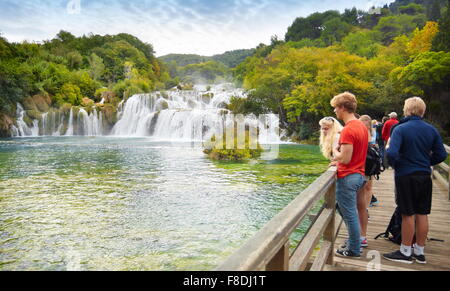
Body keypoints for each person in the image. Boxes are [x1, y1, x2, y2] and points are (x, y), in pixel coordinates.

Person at [383, 97, 447, 264]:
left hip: (406, 176)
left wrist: (398, 164)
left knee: (407, 213)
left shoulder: (400, 129)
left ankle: (405, 252)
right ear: (422, 111)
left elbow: (391, 153)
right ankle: (419, 251)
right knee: (422, 213)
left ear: (407, 110)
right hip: (424, 175)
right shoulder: (431, 130)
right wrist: (426, 162)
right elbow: (441, 154)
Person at [329, 92, 368, 258]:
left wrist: (334, 152)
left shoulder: (348, 130)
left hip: (348, 176)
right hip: (359, 174)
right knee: (345, 209)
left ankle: (353, 249)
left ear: (343, 108)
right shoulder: (361, 127)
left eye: (336, 108)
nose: (335, 111)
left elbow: (345, 158)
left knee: (350, 214)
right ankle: (354, 241)